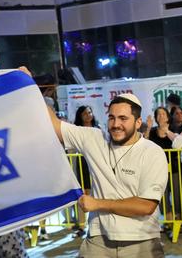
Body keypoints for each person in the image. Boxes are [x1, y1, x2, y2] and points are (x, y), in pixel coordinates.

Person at [32, 73, 169, 258]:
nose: (115, 124)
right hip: (98, 239)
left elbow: (146, 206)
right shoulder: (94, 138)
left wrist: (97, 204)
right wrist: (30, 87)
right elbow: (55, 125)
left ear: (138, 122)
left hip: (141, 240)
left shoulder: (152, 152)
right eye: (111, 118)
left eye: (123, 118)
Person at [70, 105, 100, 238]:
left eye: (90, 112)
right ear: (80, 116)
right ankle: (81, 226)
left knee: (95, 196)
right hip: (81, 165)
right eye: (85, 114)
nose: (88, 115)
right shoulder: (77, 130)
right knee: (82, 196)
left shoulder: (98, 130)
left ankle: (95, 226)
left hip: (95, 166)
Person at [147, 107, 180, 224]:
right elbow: (144, 143)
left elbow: (178, 142)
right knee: (163, 196)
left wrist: (166, 131)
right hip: (158, 169)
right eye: (158, 114)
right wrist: (149, 128)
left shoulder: (173, 128)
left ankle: (177, 221)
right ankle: (169, 221)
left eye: (163, 114)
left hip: (174, 168)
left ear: (167, 117)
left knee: (176, 195)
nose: (161, 116)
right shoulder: (152, 131)